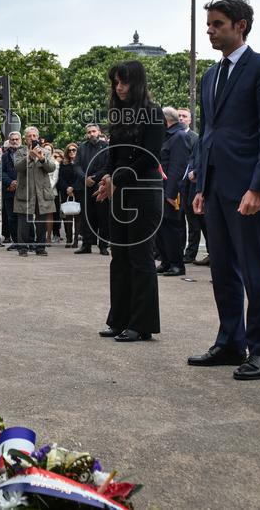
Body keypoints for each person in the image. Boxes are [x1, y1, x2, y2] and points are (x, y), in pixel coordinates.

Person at [189, 0, 260, 381]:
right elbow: (207, 134)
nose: (209, 30)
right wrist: (201, 182)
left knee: (255, 271)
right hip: (214, 188)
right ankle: (231, 341)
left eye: (217, 24)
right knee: (223, 270)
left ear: (240, 25)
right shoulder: (210, 76)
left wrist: (259, 186)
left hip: (248, 190)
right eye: (208, 24)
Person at [96, 60, 165, 342]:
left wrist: (116, 178)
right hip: (119, 191)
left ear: (136, 83)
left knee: (140, 258)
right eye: (115, 82)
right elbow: (113, 156)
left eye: (123, 82)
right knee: (119, 256)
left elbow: (150, 157)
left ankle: (142, 324)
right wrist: (106, 178)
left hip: (144, 192)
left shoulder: (153, 113)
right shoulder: (119, 114)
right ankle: (119, 319)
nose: (119, 87)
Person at [13, 127, 57, 257]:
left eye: (34, 136)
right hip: (25, 191)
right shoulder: (20, 151)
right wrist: (30, 157)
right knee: (23, 222)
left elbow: (51, 168)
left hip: (41, 192)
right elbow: (18, 167)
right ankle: (22, 248)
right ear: (25, 138)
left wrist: (42, 159)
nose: (32, 138)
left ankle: (40, 248)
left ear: (37, 137)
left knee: (41, 222)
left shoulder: (45, 152)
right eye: (29, 136)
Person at [156, 107, 188, 276]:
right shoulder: (167, 136)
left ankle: (177, 264)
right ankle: (166, 261)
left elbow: (177, 167)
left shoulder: (179, 137)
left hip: (170, 191)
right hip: (160, 189)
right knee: (162, 228)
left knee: (172, 228)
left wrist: (171, 193)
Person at [75, 123, 110, 255]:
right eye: (89, 132)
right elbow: (76, 166)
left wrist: (94, 179)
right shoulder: (82, 147)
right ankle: (86, 245)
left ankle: (103, 245)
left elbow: (107, 166)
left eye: (94, 131)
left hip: (100, 185)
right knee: (86, 217)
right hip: (85, 186)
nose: (91, 134)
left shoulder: (106, 147)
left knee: (103, 216)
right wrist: (85, 178)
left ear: (99, 132)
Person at [177, 108, 203, 263]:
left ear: (190, 120)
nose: (181, 118)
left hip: (191, 183)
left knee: (194, 221)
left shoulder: (194, 137)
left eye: (184, 116)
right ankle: (178, 250)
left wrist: (193, 173)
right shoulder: (172, 136)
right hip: (178, 183)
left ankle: (191, 252)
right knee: (179, 219)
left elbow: (195, 160)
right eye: (179, 115)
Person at [56, 143, 85, 248]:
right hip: (65, 192)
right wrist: (67, 188)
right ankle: (69, 238)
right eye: (70, 150)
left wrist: (73, 187)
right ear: (67, 152)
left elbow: (81, 177)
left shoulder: (81, 163)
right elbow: (60, 178)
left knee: (78, 216)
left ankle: (76, 240)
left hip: (78, 191)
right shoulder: (63, 164)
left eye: (74, 150)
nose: (72, 152)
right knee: (67, 216)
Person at [0, 131, 21, 247]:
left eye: (17, 139)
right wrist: (11, 182)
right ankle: (16, 241)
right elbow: (1, 172)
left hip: (23, 190)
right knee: (11, 218)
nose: (14, 141)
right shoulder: (4, 156)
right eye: (12, 139)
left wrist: (18, 182)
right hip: (9, 190)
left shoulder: (26, 154)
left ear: (20, 140)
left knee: (24, 217)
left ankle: (27, 241)